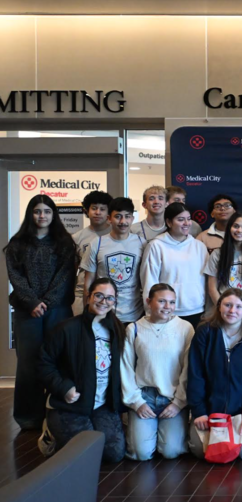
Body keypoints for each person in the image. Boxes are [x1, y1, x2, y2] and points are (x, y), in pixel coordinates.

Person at [4, 194, 77, 430]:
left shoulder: (64, 243)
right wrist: (33, 302)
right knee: (28, 364)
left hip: (58, 310)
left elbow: (66, 276)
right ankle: (29, 418)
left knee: (61, 361)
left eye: (46, 211)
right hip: (28, 312)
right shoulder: (17, 244)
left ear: (53, 215)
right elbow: (16, 277)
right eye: (37, 211)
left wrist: (47, 301)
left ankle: (60, 412)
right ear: (30, 214)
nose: (42, 216)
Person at [38, 278, 126, 462]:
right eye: (99, 296)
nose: (104, 301)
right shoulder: (66, 328)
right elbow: (44, 363)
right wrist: (63, 388)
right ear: (88, 296)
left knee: (114, 454)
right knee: (85, 456)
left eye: (110, 298)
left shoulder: (117, 330)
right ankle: (51, 431)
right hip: (70, 404)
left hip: (102, 403)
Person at [187, 289, 242, 460]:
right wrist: (199, 412)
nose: (232, 311)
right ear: (219, 307)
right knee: (199, 450)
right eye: (228, 305)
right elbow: (195, 374)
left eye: (238, 307)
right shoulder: (204, 333)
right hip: (211, 409)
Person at [122, 284, 194, 460]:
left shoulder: (185, 328)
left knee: (171, 451)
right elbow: (126, 367)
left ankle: (167, 431)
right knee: (141, 453)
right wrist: (136, 402)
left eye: (171, 302)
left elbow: (188, 369)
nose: (167, 306)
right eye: (162, 301)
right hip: (144, 397)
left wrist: (178, 402)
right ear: (149, 302)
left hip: (172, 398)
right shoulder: (134, 328)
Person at [140, 203, 207, 327]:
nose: (186, 223)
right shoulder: (156, 246)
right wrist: (150, 313)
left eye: (188, 219)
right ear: (169, 222)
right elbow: (149, 281)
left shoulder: (199, 246)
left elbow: (206, 280)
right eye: (180, 219)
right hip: (166, 312)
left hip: (196, 310)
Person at [81, 197, 146, 324]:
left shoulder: (141, 243)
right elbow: (88, 283)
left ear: (132, 218)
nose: (123, 221)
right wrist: (87, 313)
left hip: (134, 315)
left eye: (127, 216)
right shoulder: (96, 244)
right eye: (118, 216)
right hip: (103, 314)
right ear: (109, 218)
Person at [203, 212, 242, 321]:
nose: (239, 231)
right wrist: (223, 309)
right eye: (236, 226)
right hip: (225, 311)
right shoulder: (217, 254)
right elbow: (212, 288)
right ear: (229, 228)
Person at [72, 191, 113, 316]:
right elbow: (73, 268)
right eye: (94, 208)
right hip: (82, 292)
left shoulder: (115, 234)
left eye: (102, 209)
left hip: (109, 292)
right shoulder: (77, 237)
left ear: (108, 212)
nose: (98, 212)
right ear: (87, 210)